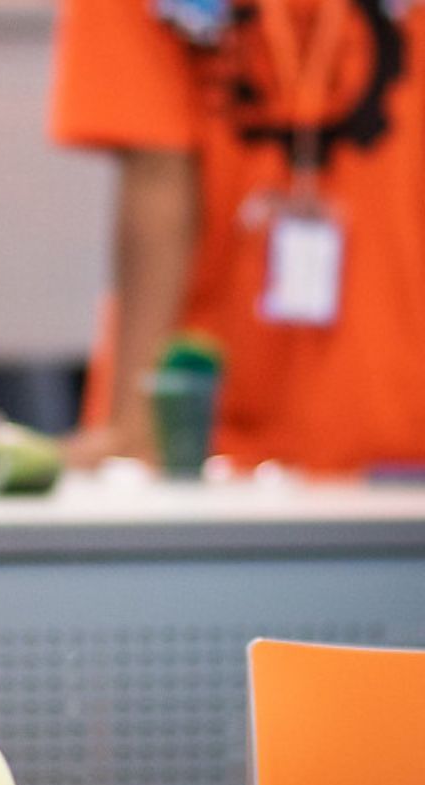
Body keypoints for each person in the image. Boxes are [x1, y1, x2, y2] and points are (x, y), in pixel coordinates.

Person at [50, 0, 425, 474]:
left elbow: (159, 178)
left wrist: (135, 424)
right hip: (210, 421)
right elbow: (156, 173)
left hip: (191, 414)